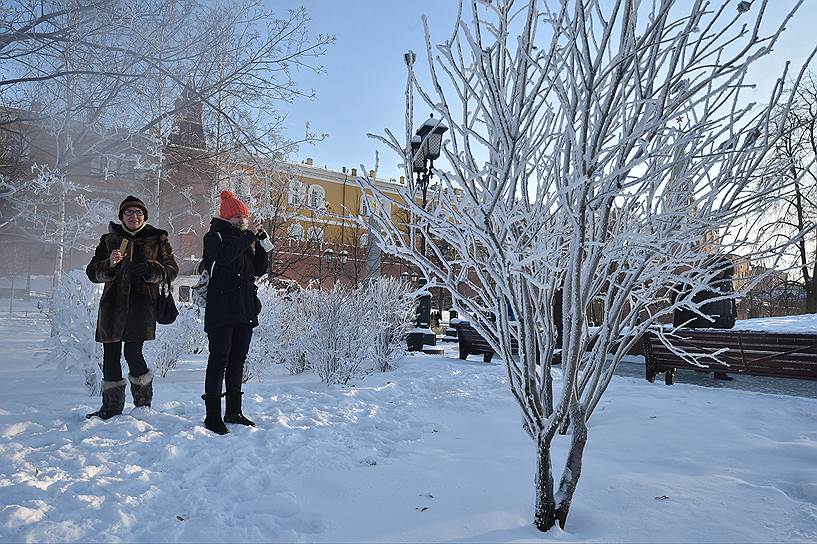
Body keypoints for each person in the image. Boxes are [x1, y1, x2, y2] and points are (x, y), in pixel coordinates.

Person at [85, 196, 179, 419]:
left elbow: (171, 270)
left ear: (144, 216)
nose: (134, 216)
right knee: (110, 356)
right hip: (112, 308)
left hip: (141, 307)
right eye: (129, 213)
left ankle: (143, 404)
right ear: (122, 216)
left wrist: (150, 269)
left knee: (133, 353)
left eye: (138, 213)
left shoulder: (157, 238)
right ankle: (111, 408)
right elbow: (92, 273)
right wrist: (109, 264)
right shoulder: (110, 239)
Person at [200, 190, 269, 435]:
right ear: (226, 217)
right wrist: (248, 237)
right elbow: (225, 258)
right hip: (221, 311)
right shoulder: (214, 236)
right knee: (218, 362)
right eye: (237, 217)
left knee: (237, 361)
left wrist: (261, 243)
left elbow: (261, 270)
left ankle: (234, 411)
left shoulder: (245, 241)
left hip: (244, 310)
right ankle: (212, 416)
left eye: (244, 217)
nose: (242, 221)